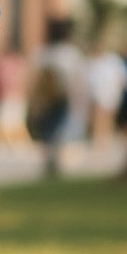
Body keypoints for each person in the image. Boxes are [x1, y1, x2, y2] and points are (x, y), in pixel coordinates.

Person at [27, 18, 87, 176]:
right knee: (60, 129)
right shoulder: (71, 53)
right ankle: (56, 160)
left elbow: (33, 80)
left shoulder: (41, 52)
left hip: (46, 100)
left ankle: (49, 161)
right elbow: (76, 81)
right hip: (62, 98)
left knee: (47, 130)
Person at [85, 39, 127, 145]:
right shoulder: (93, 62)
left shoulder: (113, 60)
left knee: (107, 118)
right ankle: (99, 140)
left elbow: (123, 79)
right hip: (99, 96)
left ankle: (104, 140)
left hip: (111, 95)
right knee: (99, 118)